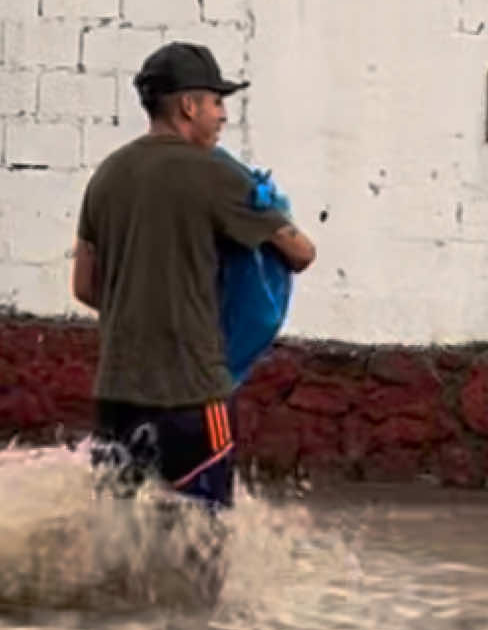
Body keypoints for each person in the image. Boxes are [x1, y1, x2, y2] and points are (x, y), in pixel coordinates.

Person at [72, 42, 316, 511]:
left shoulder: (107, 175)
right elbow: (302, 253)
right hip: (192, 396)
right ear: (188, 105)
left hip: (116, 395)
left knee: (114, 534)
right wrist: (269, 207)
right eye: (216, 102)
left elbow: (85, 287)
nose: (223, 116)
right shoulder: (216, 176)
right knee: (202, 538)